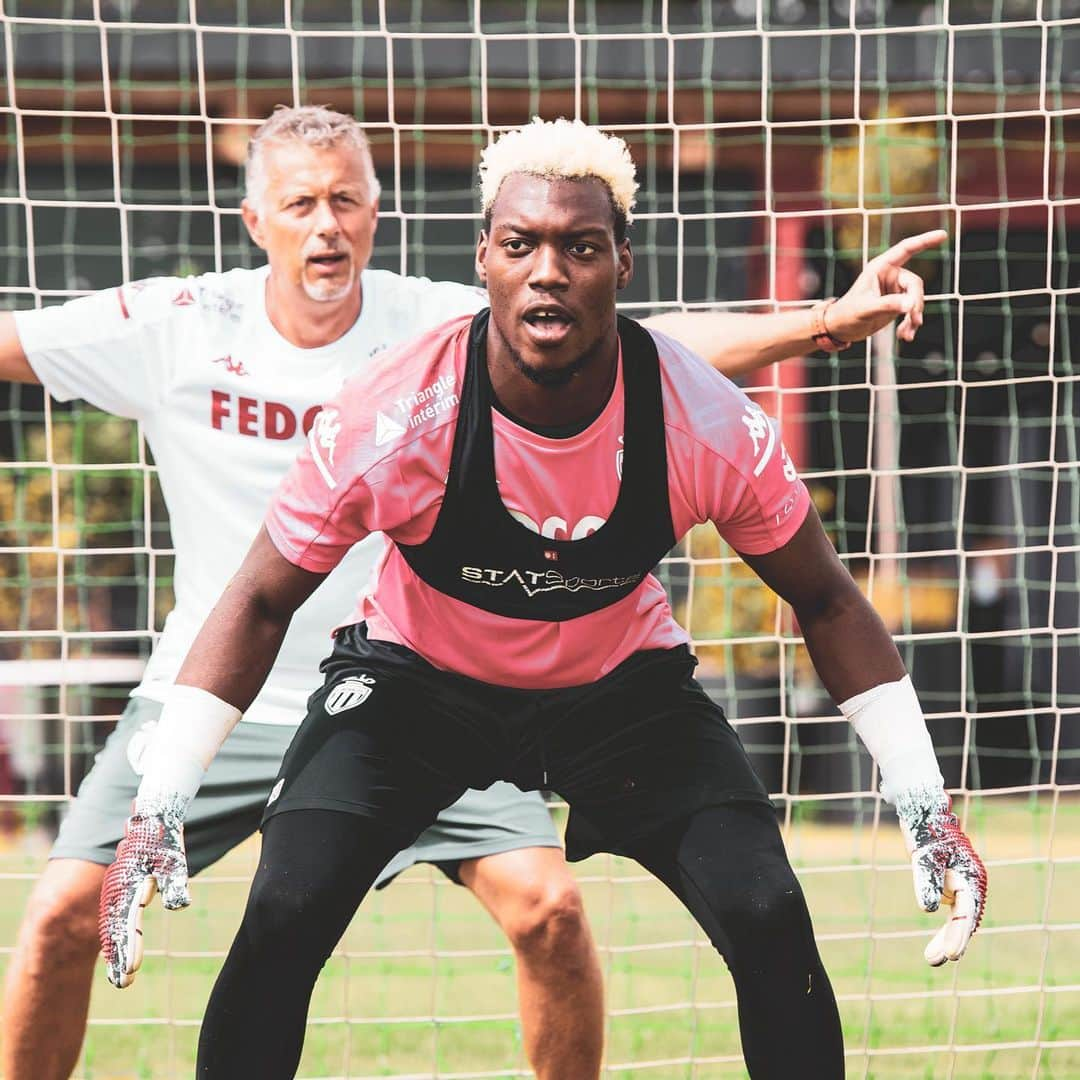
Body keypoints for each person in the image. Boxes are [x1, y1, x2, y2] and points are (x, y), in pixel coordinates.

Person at [0, 105, 909, 1080]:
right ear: (254, 218)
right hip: (221, 689)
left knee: (551, 911)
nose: (327, 224)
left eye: (347, 199)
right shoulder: (179, 325)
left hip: (426, 684)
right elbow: (16, 345)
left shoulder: (449, 323)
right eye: (300, 202)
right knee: (64, 913)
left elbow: (647, 341)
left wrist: (818, 325)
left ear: (378, 212)